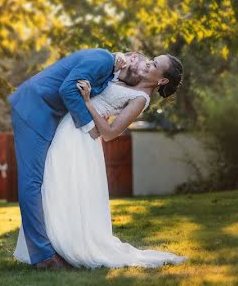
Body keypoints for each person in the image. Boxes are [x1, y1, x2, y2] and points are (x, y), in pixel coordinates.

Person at [12, 52, 187, 269]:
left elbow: (111, 132)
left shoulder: (141, 99)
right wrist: (119, 60)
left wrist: (88, 102)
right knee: (55, 185)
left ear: (162, 80)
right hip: (71, 126)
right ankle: (54, 246)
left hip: (82, 135)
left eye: (155, 65)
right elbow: (102, 76)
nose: (148, 63)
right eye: (152, 59)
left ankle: (65, 246)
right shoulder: (127, 80)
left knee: (62, 185)